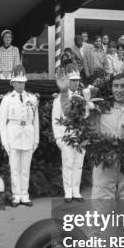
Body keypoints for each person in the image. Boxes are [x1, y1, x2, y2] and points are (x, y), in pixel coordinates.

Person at [89, 73, 124, 200]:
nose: (119, 90)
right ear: (111, 88)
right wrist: (63, 92)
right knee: (101, 212)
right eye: (115, 86)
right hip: (104, 164)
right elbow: (71, 114)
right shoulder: (99, 107)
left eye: (123, 86)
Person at [0, 65, 39, 207]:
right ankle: (16, 195)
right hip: (13, 135)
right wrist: (5, 142)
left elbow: (36, 121)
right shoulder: (7, 99)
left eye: (22, 82)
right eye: (18, 82)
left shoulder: (32, 99)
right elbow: (2, 123)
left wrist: (36, 140)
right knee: (15, 168)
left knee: (25, 168)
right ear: (13, 83)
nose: (21, 85)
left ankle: (24, 195)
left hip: (28, 134)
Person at [52, 66, 87, 203]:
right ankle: (68, 193)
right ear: (67, 81)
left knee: (78, 165)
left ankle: (76, 192)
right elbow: (56, 121)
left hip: (81, 136)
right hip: (66, 136)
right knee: (67, 165)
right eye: (72, 80)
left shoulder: (84, 97)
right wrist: (58, 139)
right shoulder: (59, 99)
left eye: (77, 80)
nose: (76, 83)